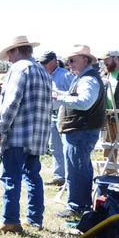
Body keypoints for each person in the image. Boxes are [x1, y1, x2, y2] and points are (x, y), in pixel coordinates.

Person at [0, 36, 52, 233]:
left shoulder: (19, 69)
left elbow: (11, 102)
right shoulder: (43, 71)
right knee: (33, 175)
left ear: (16, 51)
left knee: (10, 176)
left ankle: (10, 220)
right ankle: (34, 217)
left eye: (9, 55)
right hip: (37, 134)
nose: (9, 59)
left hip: (18, 133)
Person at [53, 45, 106, 218]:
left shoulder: (87, 80)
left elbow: (84, 102)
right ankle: (80, 205)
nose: (69, 64)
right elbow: (79, 98)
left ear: (86, 60)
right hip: (81, 131)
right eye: (68, 61)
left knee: (77, 168)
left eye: (72, 60)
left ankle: (78, 206)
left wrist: (59, 98)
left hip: (80, 131)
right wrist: (59, 94)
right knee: (79, 167)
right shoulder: (84, 78)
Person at [38, 51, 74, 186]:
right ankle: (60, 176)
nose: (43, 65)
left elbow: (74, 94)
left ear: (54, 61)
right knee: (55, 146)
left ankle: (70, 178)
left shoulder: (66, 75)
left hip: (63, 114)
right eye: (41, 62)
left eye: (45, 62)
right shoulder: (44, 75)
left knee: (66, 146)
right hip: (50, 114)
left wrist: (59, 95)